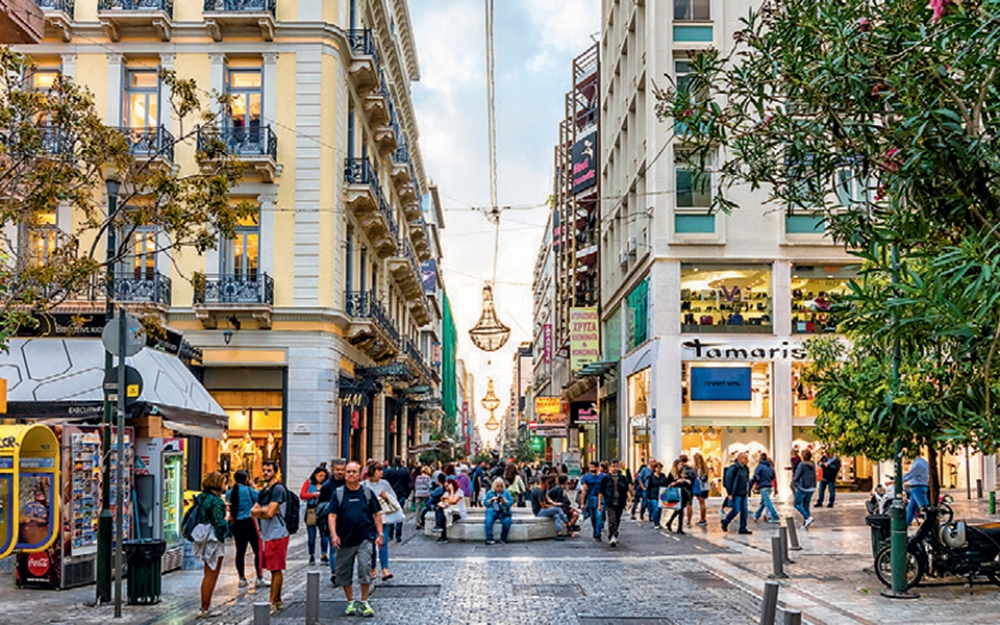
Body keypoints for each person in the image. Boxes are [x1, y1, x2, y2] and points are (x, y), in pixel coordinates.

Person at [329, 461, 382, 618]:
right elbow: (332, 515)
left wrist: (380, 534)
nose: (350, 474)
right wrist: (334, 535)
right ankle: (350, 601)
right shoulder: (338, 494)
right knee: (344, 571)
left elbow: (376, 514)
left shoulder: (367, 493)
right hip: (344, 538)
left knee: (365, 568)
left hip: (365, 537)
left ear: (360, 475)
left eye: (354, 472)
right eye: (348, 472)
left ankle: (364, 600)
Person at [252, 460, 289, 614]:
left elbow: (269, 513)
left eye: (269, 470)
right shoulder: (263, 491)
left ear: (275, 472)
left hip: (277, 533)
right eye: (264, 470)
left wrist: (261, 512)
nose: (265, 473)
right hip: (267, 534)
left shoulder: (278, 489)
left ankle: (272, 602)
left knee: (275, 568)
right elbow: (253, 512)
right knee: (273, 568)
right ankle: (278, 600)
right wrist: (262, 512)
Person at [194, 471, 230, 619]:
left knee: (208, 572)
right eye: (224, 482)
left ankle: (205, 606)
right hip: (213, 539)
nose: (226, 485)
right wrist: (227, 516)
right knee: (212, 573)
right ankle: (205, 607)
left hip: (203, 535)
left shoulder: (203, 497)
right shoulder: (216, 501)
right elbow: (219, 524)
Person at [363, 459, 404, 581]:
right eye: (379, 470)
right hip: (370, 518)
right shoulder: (364, 485)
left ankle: (385, 569)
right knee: (371, 543)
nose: (382, 472)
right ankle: (373, 568)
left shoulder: (385, 484)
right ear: (372, 471)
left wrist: (386, 498)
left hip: (384, 517)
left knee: (383, 542)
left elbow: (393, 497)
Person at [227, 470, 267, 589]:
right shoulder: (249, 491)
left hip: (237, 523)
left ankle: (242, 578)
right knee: (257, 550)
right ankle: (259, 577)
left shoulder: (230, 493)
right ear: (246, 479)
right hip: (250, 522)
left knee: (240, 551)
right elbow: (259, 499)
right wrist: (252, 487)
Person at [317, 459, 347, 582]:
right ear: (332, 470)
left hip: (348, 521)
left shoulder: (349, 483)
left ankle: (343, 570)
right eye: (337, 469)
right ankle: (335, 573)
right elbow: (321, 504)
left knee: (347, 548)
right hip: (332, 521)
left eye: (342, 470)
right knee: (334, 547)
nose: (340, 472)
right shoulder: (327, 486)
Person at [300, 466, 329, 565]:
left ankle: (324, 554)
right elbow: (302, 495)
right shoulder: (308, 483)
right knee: (311, 535)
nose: (321, 478)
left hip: (323, 511)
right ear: (315, 475)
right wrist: (313, 494)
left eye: (324, 476)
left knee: (324, 534)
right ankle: (311, 554)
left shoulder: (326, 484)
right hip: (311, 510)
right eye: (320, 475)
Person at [530, 476, 572, 540]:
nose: (548, 484)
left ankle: (559, 532)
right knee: (558, 509)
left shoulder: (542, 490)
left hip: (542, 510)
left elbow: (548, 498)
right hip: (539, 511)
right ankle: (568, 523)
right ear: (544, 482)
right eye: (547, 482)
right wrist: (554, 506)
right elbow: (543, 506)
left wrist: (555, 503)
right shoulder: (539, 492)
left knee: (557, 515)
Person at [600, 459, 631, 547]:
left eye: (616, 466)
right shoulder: (606, 479)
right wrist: (599, 503)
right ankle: (612, 536)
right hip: (610, 501)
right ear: (609, 467)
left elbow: (627, 490)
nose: (614, 468)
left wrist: (630, 500)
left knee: (617, 519)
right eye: (613, 466)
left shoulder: (623, 478)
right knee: (612, 519)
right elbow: (601, 491)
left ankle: (615, 533)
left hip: (620, 502)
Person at [721, 452, 752, 535]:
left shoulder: (745, 468)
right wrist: (730, 493)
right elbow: (728, 480)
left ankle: (743, 527)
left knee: (744, 511)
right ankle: (725, 521)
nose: (747, 460)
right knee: (736, 509)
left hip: (743, 493)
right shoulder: (734, 468)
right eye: (745, 458)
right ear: (739, 459)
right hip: (736, 493)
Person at [383, 457, 412, 542]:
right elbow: (409, 483)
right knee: (399, 513)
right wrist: (407, 494)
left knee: (390, 512)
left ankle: (390, 533)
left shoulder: (389, 471)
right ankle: (398, 534)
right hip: (401, 494)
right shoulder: (405, 471)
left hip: (391, 494)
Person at [663, 458, 693, 534]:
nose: (680, 467)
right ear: (675, 465)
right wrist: (677, 482)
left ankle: (676, 526)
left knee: (680, 510)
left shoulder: (682, 474)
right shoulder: (671, 474)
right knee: (679, 510)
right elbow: (669, 485)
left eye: (681, 465)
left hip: (682, 493)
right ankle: (676, 526)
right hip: (675, 493)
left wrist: (686, 481)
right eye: (679, 465)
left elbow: (687, 482)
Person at [434, 478, 468, 543]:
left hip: (457, 512)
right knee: (438, 510)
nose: (446, 488)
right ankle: (439, 527)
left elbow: (453, 501)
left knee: (443, 517)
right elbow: (441, 503)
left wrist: (451, 491)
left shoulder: (460, 492)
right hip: (448, 510)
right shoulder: (447, 493)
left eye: (447, 486)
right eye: (445, 487)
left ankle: (442, 535)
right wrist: (442, 502)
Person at [579, 461, 605, 541]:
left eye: (593, 467)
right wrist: (582, 503)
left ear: (597, 467)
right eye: (590, 467)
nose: (591, 469)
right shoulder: (586, 477)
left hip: (601, 499)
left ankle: (598, 534)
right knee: (593, 517)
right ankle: (595, 529)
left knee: (599, 516)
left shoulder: (604, 477)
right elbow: (584, 490)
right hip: (591, 498)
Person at [484, 477, 514, 544]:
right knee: (488, 521)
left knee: (507, 521)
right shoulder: (490, 493)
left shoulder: (506, 492)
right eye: (497, 486)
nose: (499, 488)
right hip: (492, 510)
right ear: (494, 486)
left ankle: (503, 538)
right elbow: (485, 503)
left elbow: (511, 502)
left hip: (503, 511)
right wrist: (491, 500)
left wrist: (505, 502)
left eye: (501, 486)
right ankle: (489, 538)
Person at [792, 449, 817, 529]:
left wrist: (795, 482)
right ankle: (805, 523)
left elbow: (797, 475)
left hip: (803, 487)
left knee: (796, 504)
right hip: (811, 487)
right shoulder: (813, 464)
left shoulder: (802, 465)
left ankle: (807, 517)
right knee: (806, 505)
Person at [751, 453, 779, 524]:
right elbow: (773, 477)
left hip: (763, 486)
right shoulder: (770, 467)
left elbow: (756, 476)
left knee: (767, 502)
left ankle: (775, 517)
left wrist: (754, 484)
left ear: (761, 458)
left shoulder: (760, 466)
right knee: (763, 502)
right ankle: (756, 515)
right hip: (769, 486)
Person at [903, 454, 930, 526]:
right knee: (911, 508)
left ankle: (931, 525)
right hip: (920, 486)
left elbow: (911, 474)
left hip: (918, 487)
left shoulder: (918, 463)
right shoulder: (924, 462)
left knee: (925, 507)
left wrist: (899, 480)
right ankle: (906, 524)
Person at [645, 462, 671, 529]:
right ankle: (656, 523)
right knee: (656, 509)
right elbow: (649, 487)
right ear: (655, 468)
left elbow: (666, 484)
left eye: (660, 468)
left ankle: (658, 522)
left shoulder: (663, 476)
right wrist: (648, 496)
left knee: (659, 510)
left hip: (661, 495)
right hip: (653, 495)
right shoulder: (651, 477)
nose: (659, 469)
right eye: (657, 468)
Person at [691, 452, 710, 526]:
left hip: (700, 488)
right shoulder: (705, 467)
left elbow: (701, 478)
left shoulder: (697, 468)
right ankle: (703, 518)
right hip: (705, 488)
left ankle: (702, 519)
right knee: (703, 504)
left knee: (701, 504)